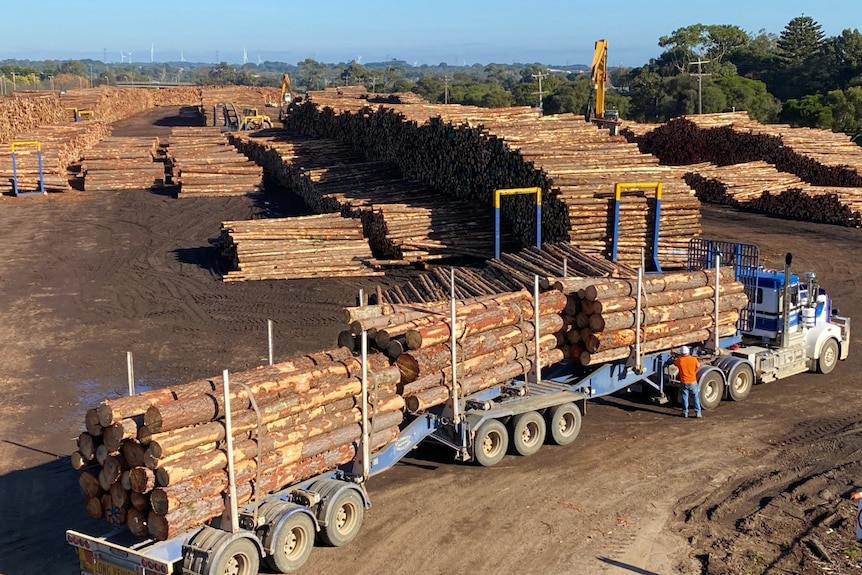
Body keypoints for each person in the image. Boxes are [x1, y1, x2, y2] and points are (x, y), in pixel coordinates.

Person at [675, 346, 701, 418]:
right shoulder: (693, 359)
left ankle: (685, 412)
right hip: (693, 381)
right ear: (688, 352)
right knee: (695, 397)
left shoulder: (680, 360)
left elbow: (675, 363)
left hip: (684, 382)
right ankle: (698, 413)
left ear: (681, 353)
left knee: (685, 397)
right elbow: (698, 366)